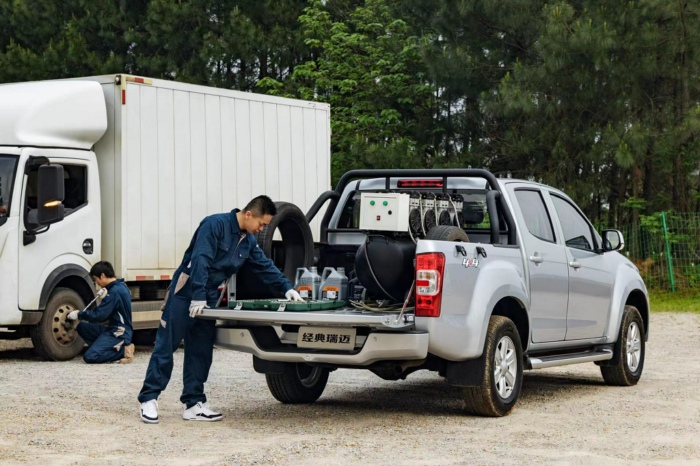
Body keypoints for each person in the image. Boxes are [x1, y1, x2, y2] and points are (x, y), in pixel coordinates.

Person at [137, 195, 303, 424]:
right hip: (186, 292)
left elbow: (263, 265)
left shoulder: (248, 241)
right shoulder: (214, 225)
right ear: (248, 214)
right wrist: (197, 296)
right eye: (262, 224)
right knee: (167, 345)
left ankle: (193, 404)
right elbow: (200, 260)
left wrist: (287, 288)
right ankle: (149, 399)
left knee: (201, 350)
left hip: (211, 296)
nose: (262, 229)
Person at [66, 261, 135, 364]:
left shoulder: (114, 292)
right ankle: (103, 347)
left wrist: (79, 314)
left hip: (119, 332)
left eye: (96, 279)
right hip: (113, 329)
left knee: (90, 356)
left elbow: (99, 315)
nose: (97, 283)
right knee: (82, 327)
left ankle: (124, 350)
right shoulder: (121, 286)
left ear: (102, 275)